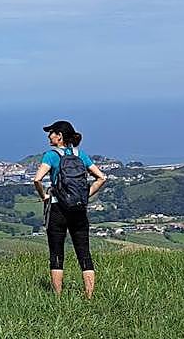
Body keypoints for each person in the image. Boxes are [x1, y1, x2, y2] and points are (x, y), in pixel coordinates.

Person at [32, 120, 107, 297]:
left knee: (56, 252)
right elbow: (101, 178)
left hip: (57, 208)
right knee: (84, 252)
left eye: (51, 133)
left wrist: (44, 196)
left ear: (59, 136)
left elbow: (37, 179)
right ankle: (89, 296)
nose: (49, 136)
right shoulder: (81, 155)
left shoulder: (51, 156)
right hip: (79, 209)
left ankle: (58, 297)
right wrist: (85, 195)